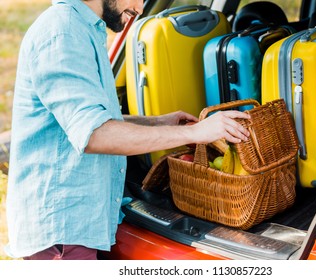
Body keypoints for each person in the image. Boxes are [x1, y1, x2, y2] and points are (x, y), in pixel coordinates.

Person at [6, 0, 250, 260]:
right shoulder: (63, 33)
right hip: (62, 234)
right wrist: (196, 133)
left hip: (78, 224)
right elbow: (95, 134)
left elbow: (92, 118)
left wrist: (157, 122)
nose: (141, 8)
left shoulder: (82, 28)